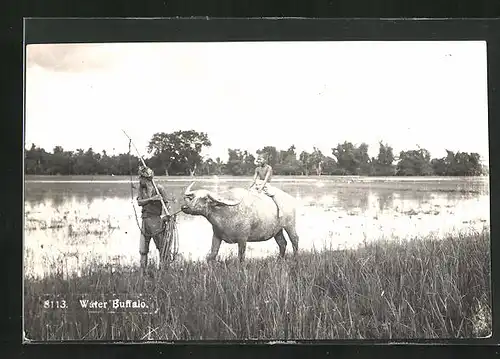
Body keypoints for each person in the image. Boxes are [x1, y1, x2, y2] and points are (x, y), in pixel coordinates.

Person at [136, 164, 170, 275]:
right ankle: (143, 273)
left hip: (156, 221)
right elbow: (139, 202)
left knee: (162, 248)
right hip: (145, 221)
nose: (139, 180)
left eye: (141, 178)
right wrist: (152, 199)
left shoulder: (159, 189)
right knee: (143, 249)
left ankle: (163, 271)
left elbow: (166, 204)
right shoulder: (141, 189)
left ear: (146, 178)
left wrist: (166, 216)